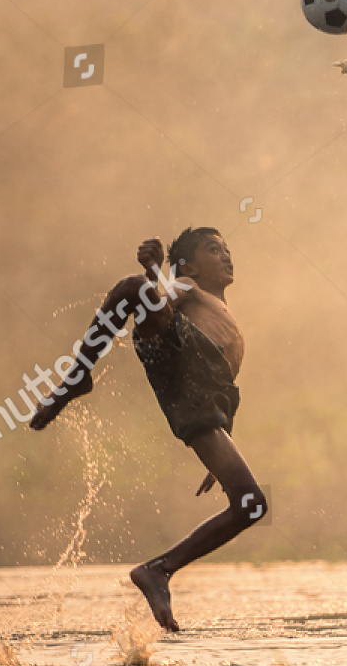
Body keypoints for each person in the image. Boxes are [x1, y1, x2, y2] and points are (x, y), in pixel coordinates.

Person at [31, 229, 263, 632]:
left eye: (227, 250)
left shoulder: (221, 312)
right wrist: (156, 272)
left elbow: (226, 387)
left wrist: (225, 440)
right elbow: (159, 301)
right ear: (188, 266)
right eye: (214, 250)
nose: (227, 257)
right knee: (135, 287)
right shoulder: (188, 286)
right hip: (180, 357)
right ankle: (77, 376)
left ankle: (159, 569)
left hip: (203, 398)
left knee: (250, 504)